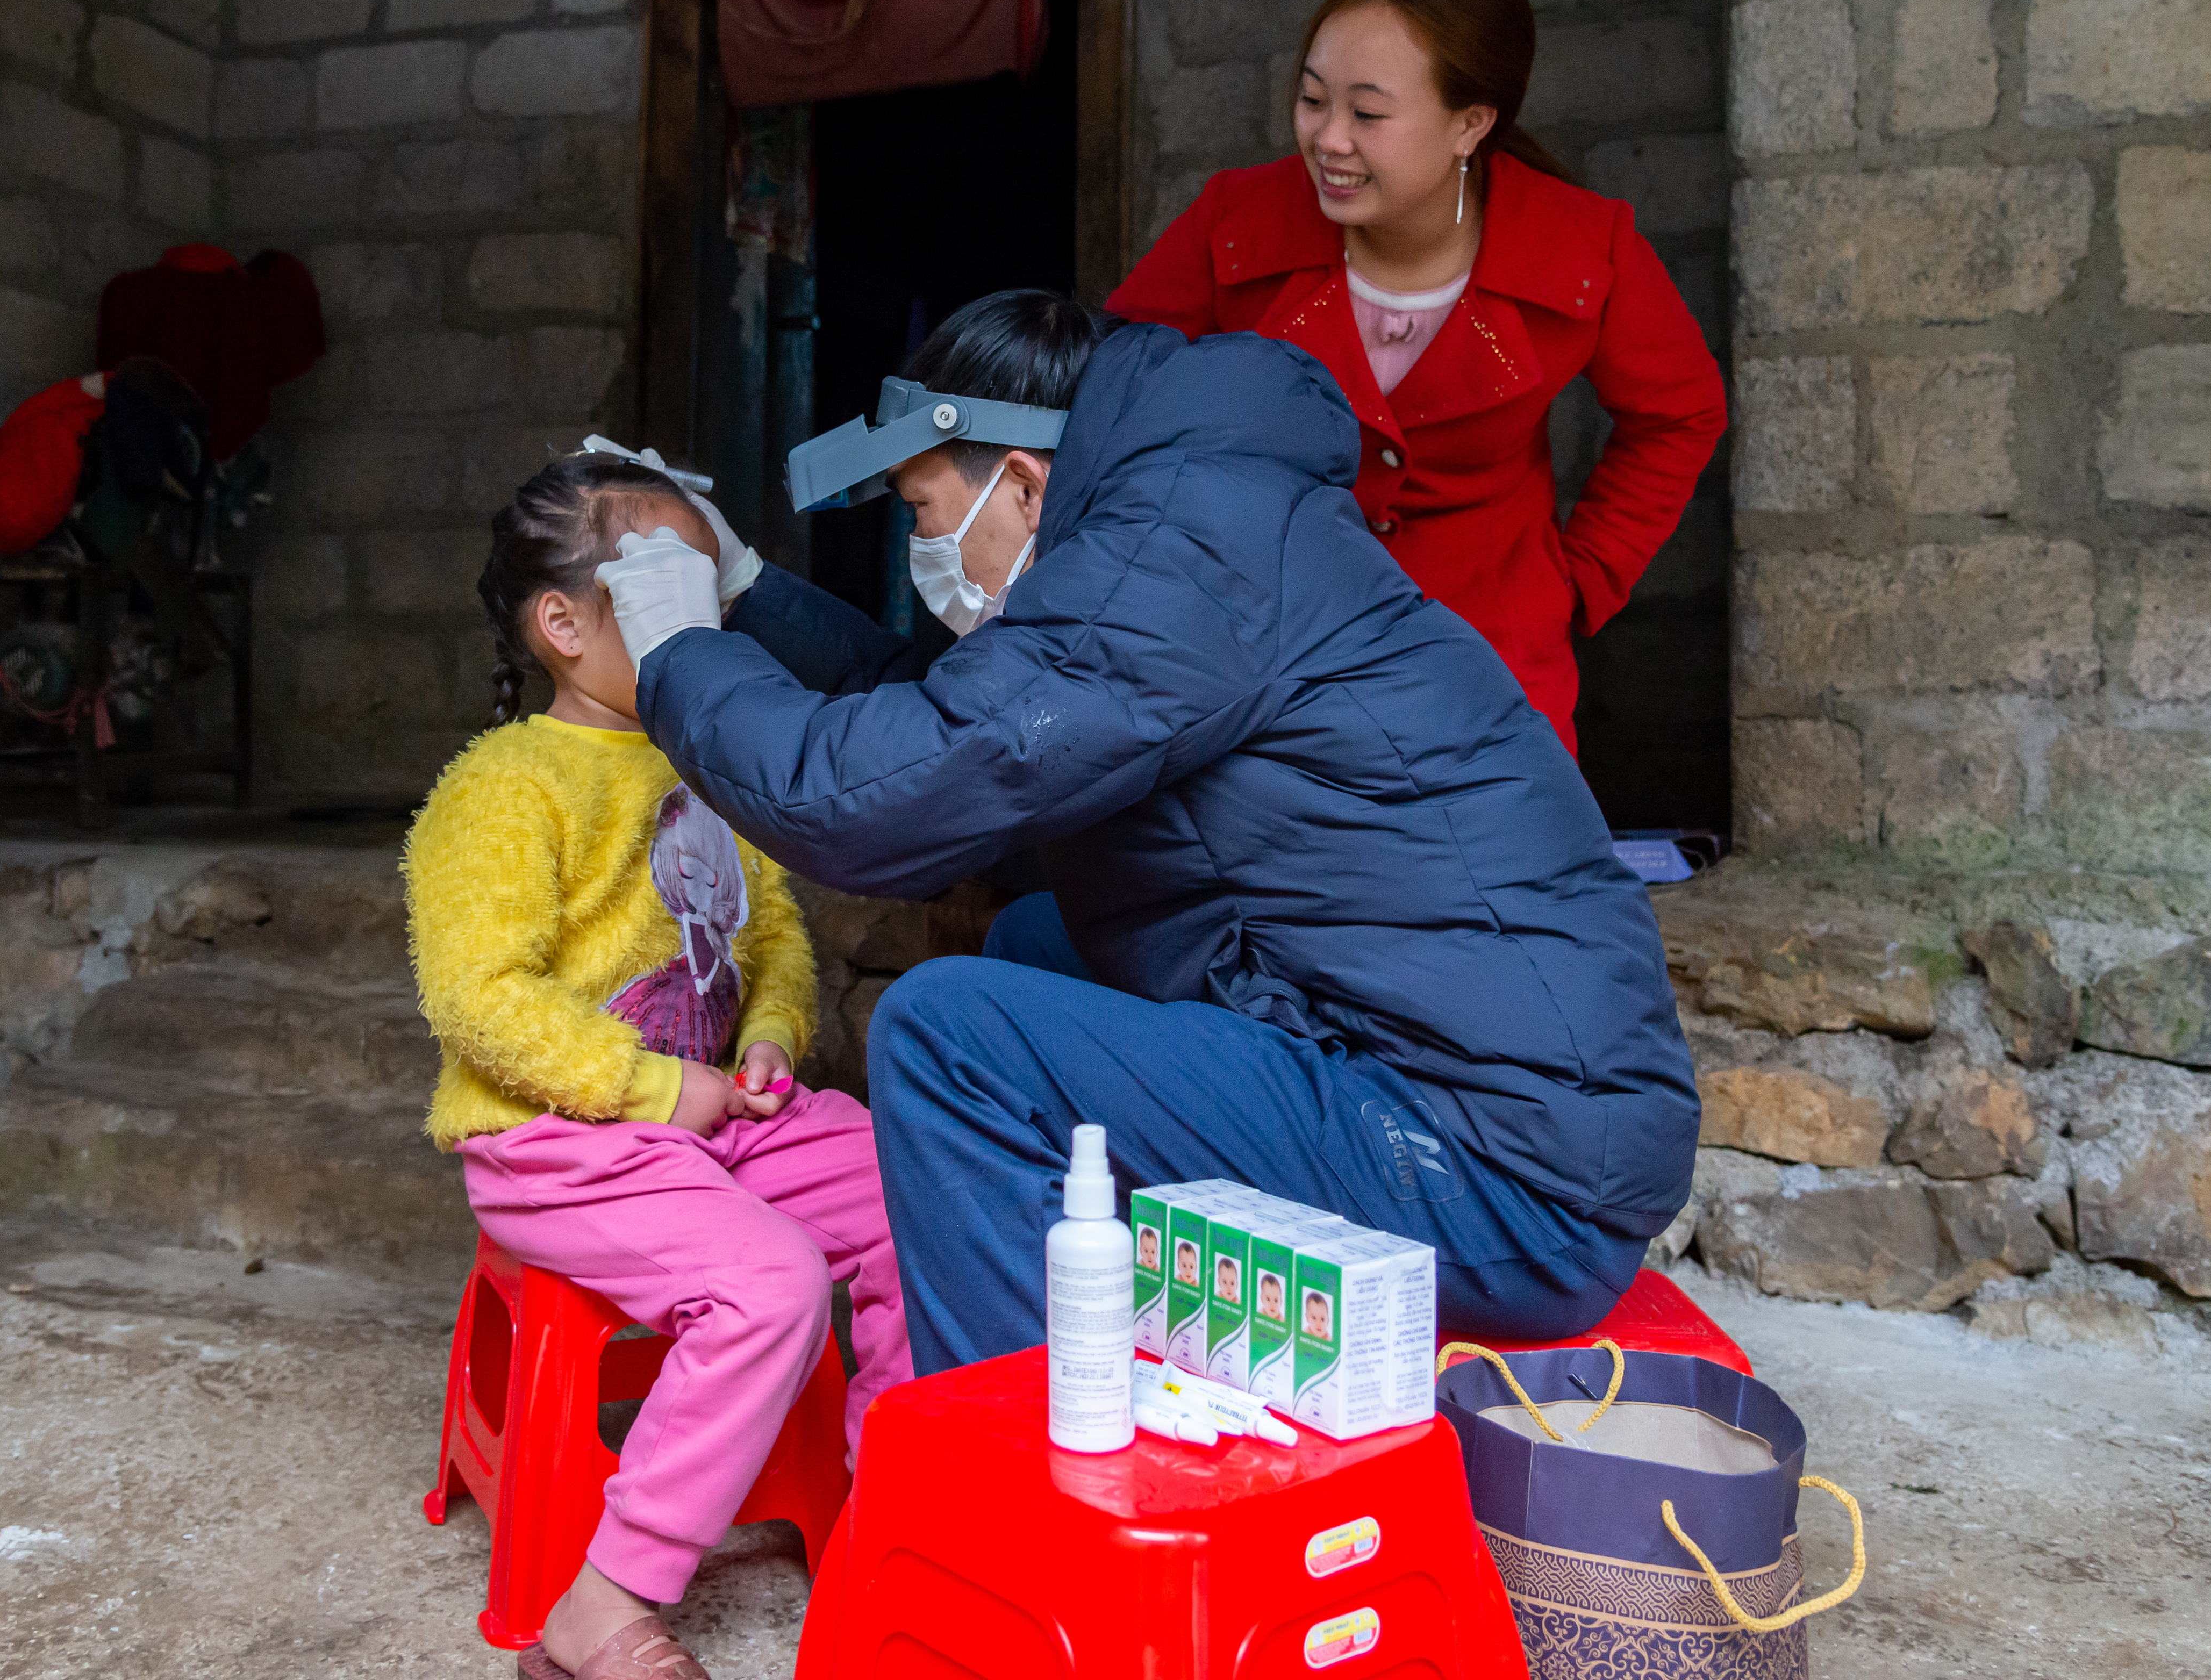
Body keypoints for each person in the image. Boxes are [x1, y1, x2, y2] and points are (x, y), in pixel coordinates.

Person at [590, 293, 1698, 1379]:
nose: (923, 550)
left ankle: (1016, 1476)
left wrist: (678, 653)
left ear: (1020, 484)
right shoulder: (1190, 525)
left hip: (1498, 1169)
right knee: (1034, 938)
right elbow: (937, 716)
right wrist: (743, 592)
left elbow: (874, 800)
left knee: (944, 1034)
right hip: (1500, 1103)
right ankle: (1115, 1341)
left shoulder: (1170, 571)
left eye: (925, 515)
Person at [403, 453, 910, 1680]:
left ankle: (895, 1517)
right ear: (563, 625)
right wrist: (648, 1090)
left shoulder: (707, 758)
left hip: (720, 1115)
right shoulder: (502, 788)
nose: (705, 625)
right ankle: (600, 1600)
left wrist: (773, 1038)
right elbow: (479, 1001)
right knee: (774, 1284)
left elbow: (773, 935)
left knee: (922, 1188)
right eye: (662, 592)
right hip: (559, 1138)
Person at [1106, 0, 1726, 751]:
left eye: (1367, 114)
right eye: (1312, 101)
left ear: (1471, 123)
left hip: (1494, 671)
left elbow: (1681, 414)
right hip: (1267, 662)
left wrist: (1579, 579)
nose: (1329, 139)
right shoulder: (1237, 223)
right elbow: (1114, 388)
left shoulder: (1582, 250)